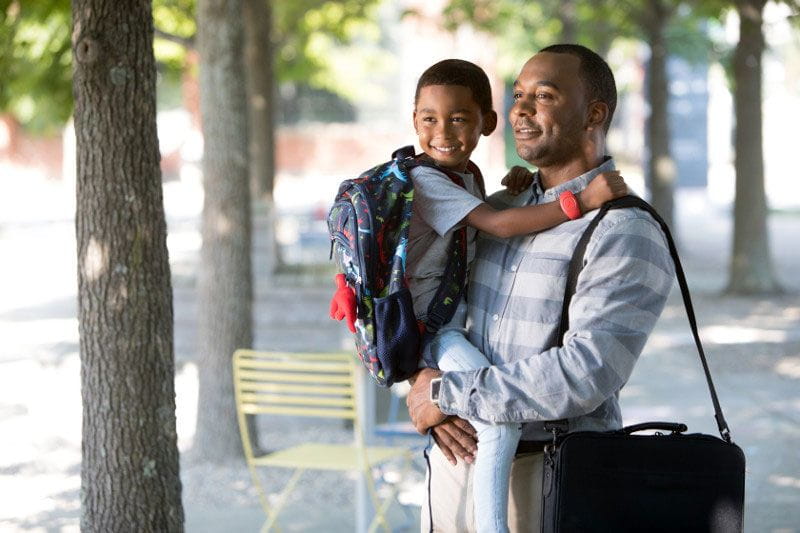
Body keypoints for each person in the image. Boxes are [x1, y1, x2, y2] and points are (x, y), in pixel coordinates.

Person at [330, 58, 626, 533]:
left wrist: (515, 190)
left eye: (458, 119)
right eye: (429, 119)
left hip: (541, 454)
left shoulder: (465, 176)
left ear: (486, 123)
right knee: (498, 424)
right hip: (437, 338)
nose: (443, 132)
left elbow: (585, 373)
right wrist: (578, 201)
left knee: (494, 422)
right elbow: (499, 225)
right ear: (414, 120)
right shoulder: (429, 179)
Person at [406, 45, 676, 532]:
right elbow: (436, 308)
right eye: (517, 95)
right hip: (452, 470)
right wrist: (423, 383)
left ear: (594, 114)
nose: (521, 111)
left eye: (544, 96)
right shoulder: (497, 207)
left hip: (550, 481)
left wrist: (446, 394)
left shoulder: (624, 230)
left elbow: (585, 373)